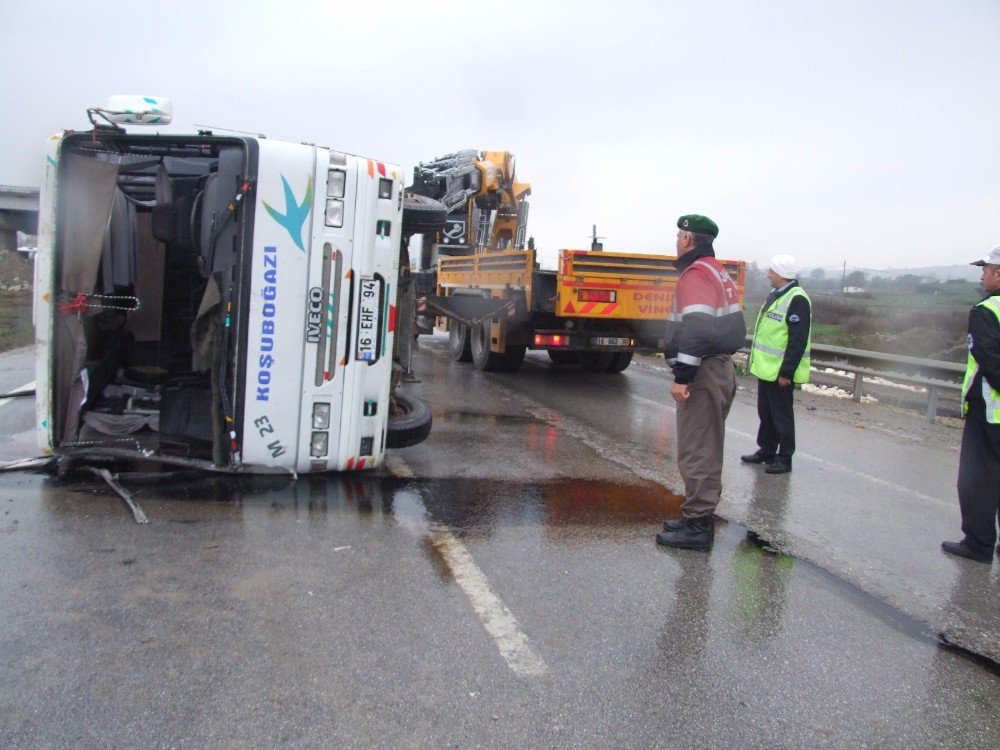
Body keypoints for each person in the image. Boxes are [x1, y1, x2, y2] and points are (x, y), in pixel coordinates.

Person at [656, 215, 746, 551]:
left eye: (679, 235)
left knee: (698, 451)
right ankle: (696, 516)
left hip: (705, 373)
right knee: (705, 446)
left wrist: (683, 376)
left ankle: (698, 525)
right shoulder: (716, 270)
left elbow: (697, 328)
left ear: (689, 240)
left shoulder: (696, 274)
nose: (676, 240)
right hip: (717, 369)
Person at [942, 244, 1000, 564]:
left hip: (990, 411)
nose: (982, 275)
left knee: (978, 478)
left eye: (986, 270)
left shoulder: (986, 310)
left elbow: (989, 360)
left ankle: (978, 544)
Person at [741, 255, 812, 474]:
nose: (768, 274)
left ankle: (784, 457)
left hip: (781, 372)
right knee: (766, 412)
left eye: (771, 271)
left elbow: (797, 341)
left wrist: (786, 372)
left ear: (781, 273)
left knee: (782, 415)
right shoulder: (777, 294)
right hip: (767, 369)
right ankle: (767, 450)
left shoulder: (797, 299)